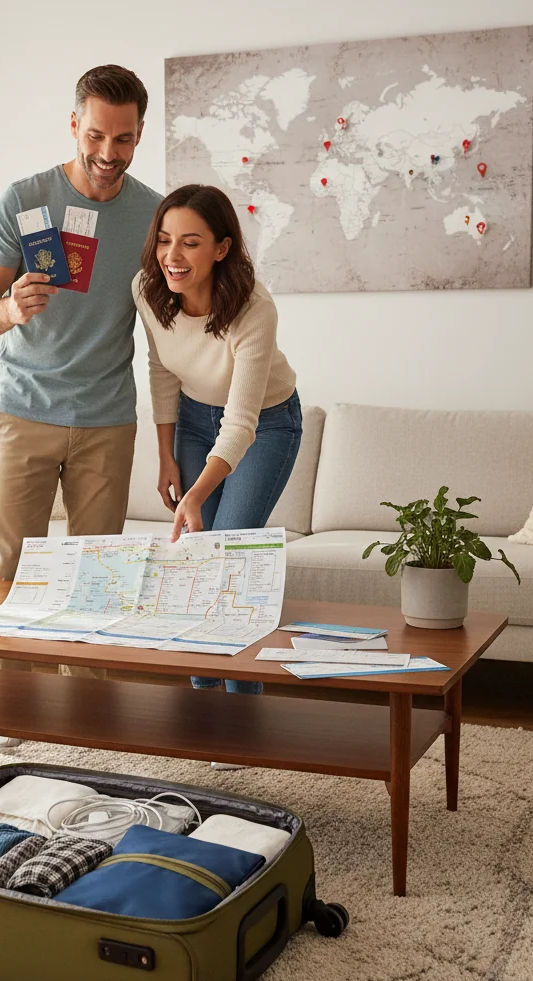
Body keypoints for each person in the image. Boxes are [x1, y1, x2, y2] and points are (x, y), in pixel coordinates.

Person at [0, 65, 161, 750]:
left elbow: (173, 322)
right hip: (24, 411)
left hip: (107, 417)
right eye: (98, 135)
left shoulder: (151, 215)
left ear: (141, 135)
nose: (110, 153)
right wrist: (9, 307)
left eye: (126, 139)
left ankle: (90, 715)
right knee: (11, 569)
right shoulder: (25, 199)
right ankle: (9, 712)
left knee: (97, 577)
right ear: (74, 124)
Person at [133, 183, 302, 704]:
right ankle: (205, 698)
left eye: (190, 242)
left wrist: (195, 495)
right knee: (195, 560)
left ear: (221, 248)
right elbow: (161, 370)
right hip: (192, 419)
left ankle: (241, 704)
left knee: (228, 552)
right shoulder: (148, 288)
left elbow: (242, 423)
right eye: (164, 240)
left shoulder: (254, 309)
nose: (172, 257)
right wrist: (165, 454)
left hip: (265, 425)